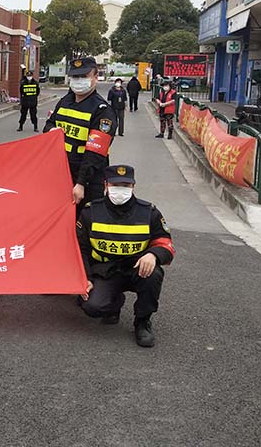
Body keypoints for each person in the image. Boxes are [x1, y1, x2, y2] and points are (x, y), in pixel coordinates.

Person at [76, 164, 175, 347]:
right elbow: (80, 248)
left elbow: (165, 244)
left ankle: (142, 322)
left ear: (133, 186)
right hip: (105, 271)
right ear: (106, 185)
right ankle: (114, 303)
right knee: (91, 306)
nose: (120, 190)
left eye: (125, 185)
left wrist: (153, 255)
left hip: (137, 269)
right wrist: (85, 278)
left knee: (154, 274)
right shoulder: (91, 212)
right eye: (115, 185)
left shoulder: (149, 212)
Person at [43, 57, 117, 214]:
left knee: (83, 221)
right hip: (61, 174)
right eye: (75, 76)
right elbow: (49, 125)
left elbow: (95, 154)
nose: (78, 81)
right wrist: (52, 130)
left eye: (84, 76)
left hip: (87, 180)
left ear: (95, 77)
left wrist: (81, 183)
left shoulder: (102, 111)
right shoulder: (65, 101)